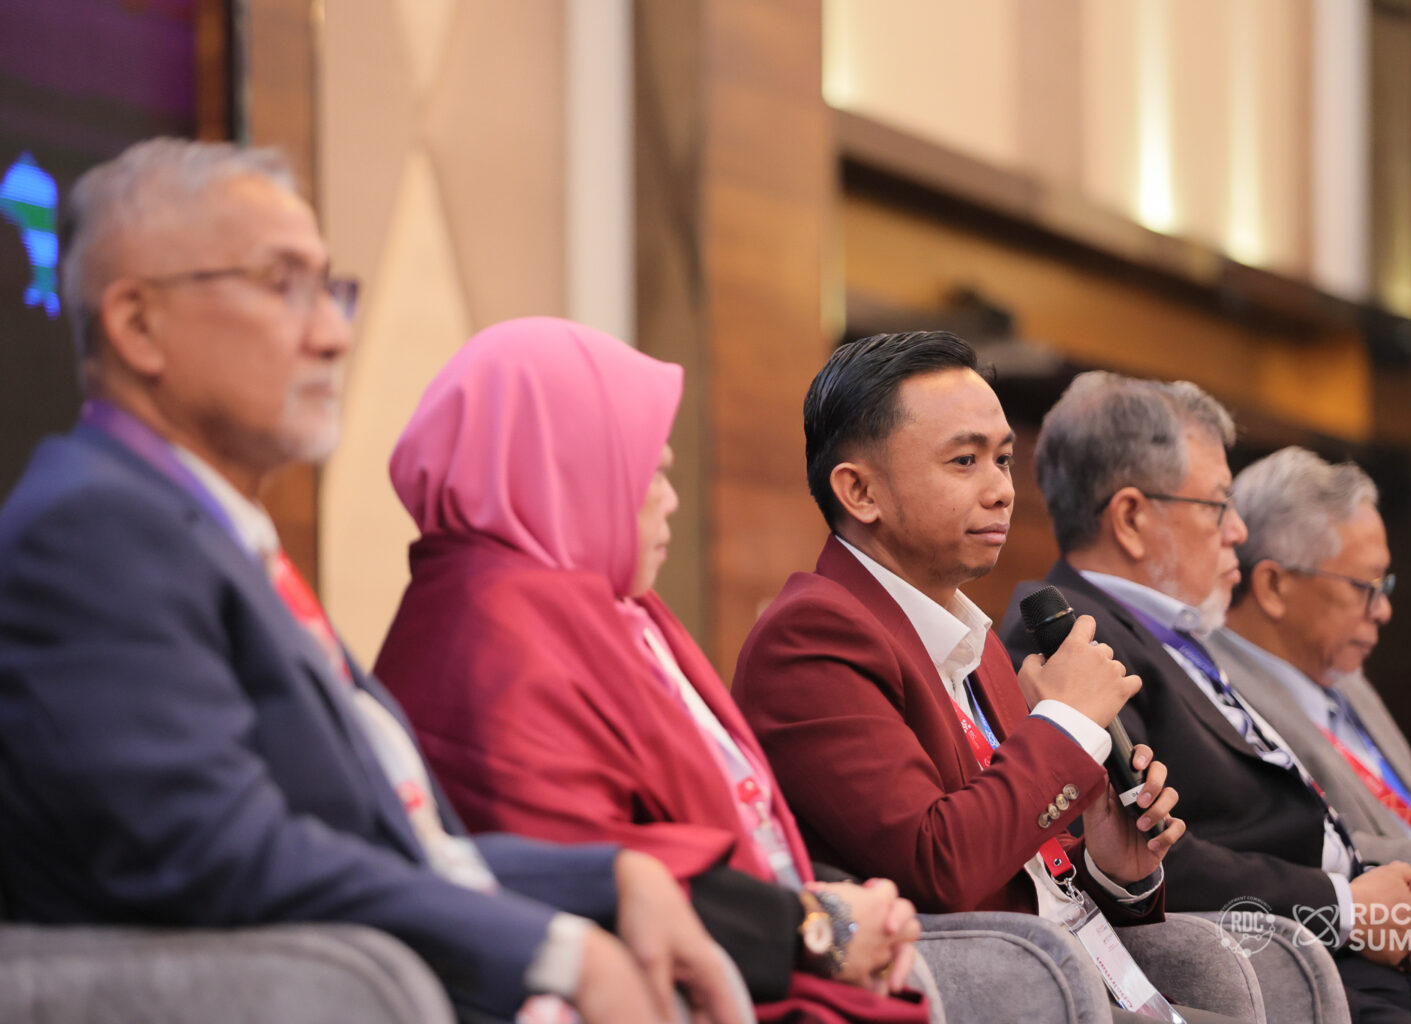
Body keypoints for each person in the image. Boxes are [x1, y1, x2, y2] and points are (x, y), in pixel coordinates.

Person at [0, 138, 745, 1024]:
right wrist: (554, 948)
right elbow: (217, 854)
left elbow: (408, 851)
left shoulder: (218, 537)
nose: (332, 334)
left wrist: (617, 877)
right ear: (137, 325)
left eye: (330, 289)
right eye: (280, 284)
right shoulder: (95, 527)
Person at [372, 315, 928, 1023]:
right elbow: (589, 872)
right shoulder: (491, 634)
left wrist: (842, 910)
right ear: (567, 470)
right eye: (650, 471)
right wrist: (823, 924)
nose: (670, 498)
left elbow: (743, 825)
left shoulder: (604, 606)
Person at [730, 332, 1245, 1024]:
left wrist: (1111, 866)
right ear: (860, 491)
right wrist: (1066, 724)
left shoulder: (979, 644)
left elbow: (1034, 882)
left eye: (1003, 459)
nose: (1002, 490)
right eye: (964, 461)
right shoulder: (811, 638)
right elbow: (938, 868)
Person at [999, 370, 1411, 1024]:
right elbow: (1156, 852)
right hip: (1289, 977)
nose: (1237, 531)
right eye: (1218, 505)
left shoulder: (1176, 635)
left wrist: (1383, 895)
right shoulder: (1074, 645)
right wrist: (1346, 908)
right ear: (1133, 518)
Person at [1209, 445, 1411, 1015]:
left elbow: (1410, 822)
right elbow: (1303, 858)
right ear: (1274, 586)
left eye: (1386, 586)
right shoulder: (1221, 696)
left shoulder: (1348, 678)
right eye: (1366, 587)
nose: (1383, 611)